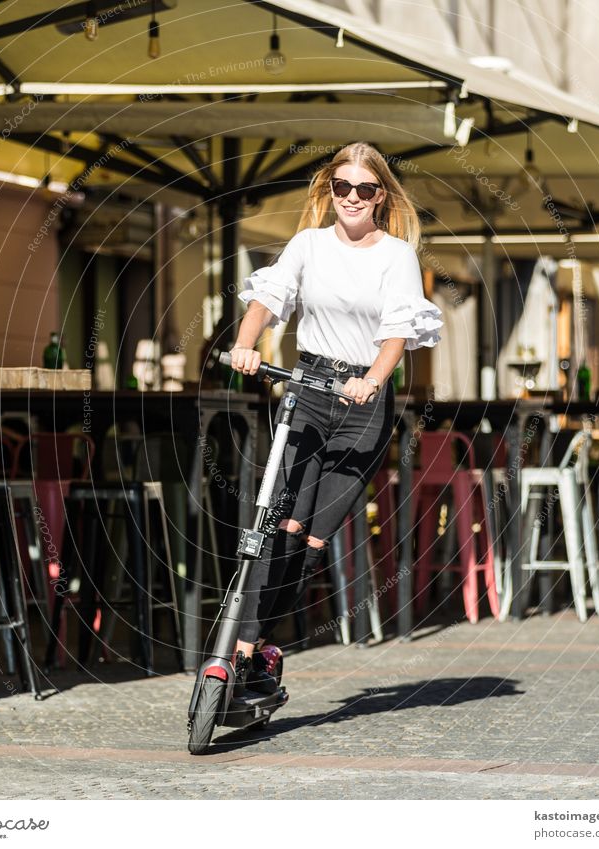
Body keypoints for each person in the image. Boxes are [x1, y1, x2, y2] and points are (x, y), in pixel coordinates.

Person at [228, 141, 443, 695]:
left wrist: (372, 379)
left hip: (364, 405)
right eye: (342, 187)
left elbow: (397, 331)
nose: (352, 197)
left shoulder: (396, 255)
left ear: (380, 197)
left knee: (313, 537)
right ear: (330, 191)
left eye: (364, 189)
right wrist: (245, 346)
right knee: (280, 524)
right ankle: (246, 651)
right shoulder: (307, 244)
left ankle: (264, 647)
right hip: (310, 389)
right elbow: (267, 301)